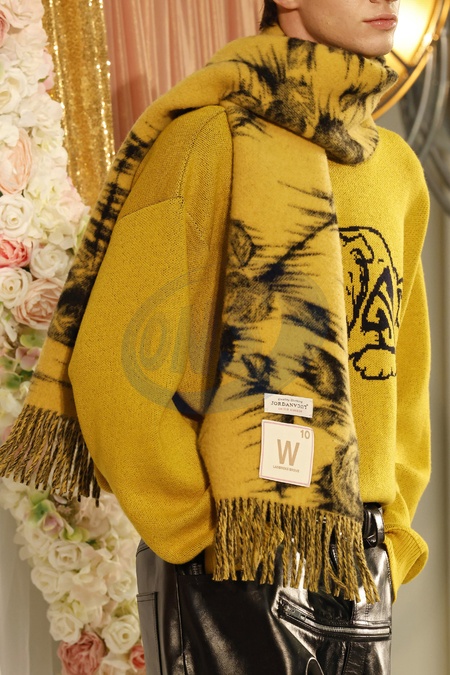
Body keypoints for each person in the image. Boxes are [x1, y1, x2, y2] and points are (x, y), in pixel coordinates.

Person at [0, 0, 430, 673]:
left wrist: (392, 534)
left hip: (358, 569)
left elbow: (404, 372)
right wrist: (197, 537)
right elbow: (115, 368)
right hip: (231, 566)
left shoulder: (394, 168)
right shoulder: (203, 141)